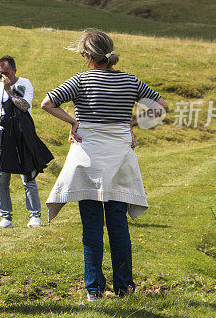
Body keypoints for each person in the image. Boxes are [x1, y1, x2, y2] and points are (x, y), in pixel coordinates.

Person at [40, 29, 168, 300]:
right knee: (118, 225)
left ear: (88, 55)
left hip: (88, 160)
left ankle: (94, 290)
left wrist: (74, 122)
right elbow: (161, 108)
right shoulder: (130, 81)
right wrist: (130, 124)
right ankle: (125, 288)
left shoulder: (82, 80)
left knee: (92, 226)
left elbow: (47, 103)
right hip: (120, 158)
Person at [0, 56, 43, 228]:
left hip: (20, 135)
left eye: (6, 73)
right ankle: (6, 218)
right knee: (1, 180)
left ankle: (35, 215)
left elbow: (24, 106)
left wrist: (9, 90)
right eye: (0, 73)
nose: (3, 76)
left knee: (28, 176)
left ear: (15, 70)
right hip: (0, 134)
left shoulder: (24, 83)